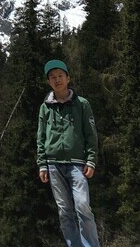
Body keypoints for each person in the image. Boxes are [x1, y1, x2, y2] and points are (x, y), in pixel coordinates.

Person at [37, 59, 101, 247]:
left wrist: (91, 160)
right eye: (53, 77)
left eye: (60, 76)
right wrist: (42, 164)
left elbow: (91, 134)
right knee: (64, 211)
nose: (57, 80)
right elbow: (40, 137)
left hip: (77, 164)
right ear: (49, 82)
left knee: (82, 206)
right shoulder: (45, 107)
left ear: (68, 78)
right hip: (53, 165)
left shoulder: (82, 104)